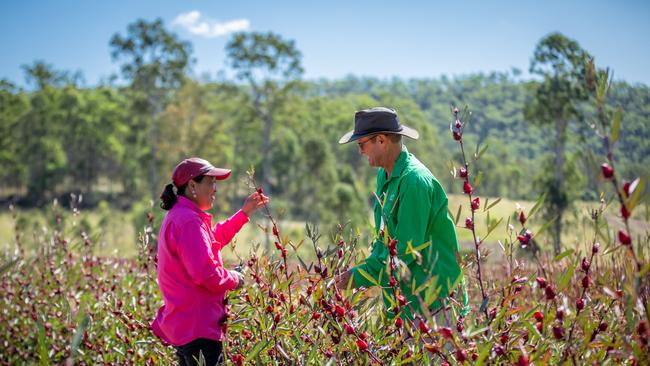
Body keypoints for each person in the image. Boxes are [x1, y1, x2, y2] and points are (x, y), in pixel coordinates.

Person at [335, 107, 468, 321]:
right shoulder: (384, 175)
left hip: (436, 306)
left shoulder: (414, 181)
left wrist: (357, 277)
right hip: (407, 305)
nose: (360, 151)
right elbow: (384, 241)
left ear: (380, 140)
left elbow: (405, 254)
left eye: (361, 144)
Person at [151, 157, 268, 366]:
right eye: (211, 183)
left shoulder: (184, 216)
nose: (215, 189)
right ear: (192, 185)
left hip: (190, 327)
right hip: (199, 329)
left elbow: (212, 239)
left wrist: (244, 213)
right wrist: (235, 278)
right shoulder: (188, 221)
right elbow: (206, 274)